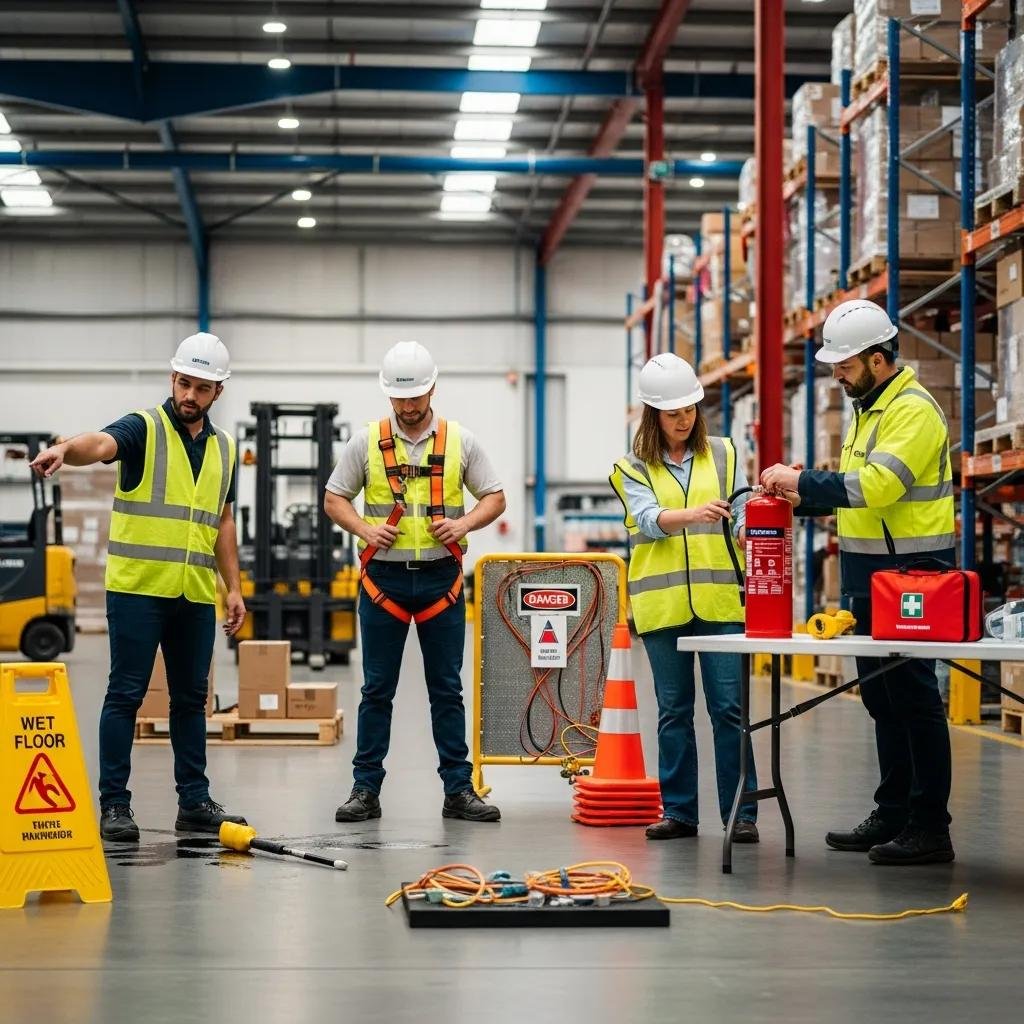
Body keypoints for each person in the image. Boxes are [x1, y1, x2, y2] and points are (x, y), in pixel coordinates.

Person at [29, 332, 248, 842]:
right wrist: (65, 448)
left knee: (191, 700)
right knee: (125, 694)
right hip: (137, 589)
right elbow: (99, 444)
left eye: (201, 387)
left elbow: (223, 521)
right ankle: (114, 805)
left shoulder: (225, 448)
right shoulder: (143, 428)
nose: (189, 394)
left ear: (218, 392)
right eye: (183, 382)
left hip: (193, 593)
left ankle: (194, 802)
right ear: (173, 378)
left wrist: (232, 587)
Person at [761, 299, 954, 866]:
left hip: (916, 576)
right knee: (880, 696)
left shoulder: (914, 411)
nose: (836, 374)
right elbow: (852, 495)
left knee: (915, 696)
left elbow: (878, 486)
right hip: (869, 576)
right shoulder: (868, 410)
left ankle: (930, 827)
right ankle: (892, 813)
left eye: (843, 365)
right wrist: (799, 500)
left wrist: (804, 479)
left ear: (876, 358)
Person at [324, 341, 506, 823]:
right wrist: (365, 529)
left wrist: (465, 524)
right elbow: (334, 498)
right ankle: (365, 790)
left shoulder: (459, 441)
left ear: (432, 390)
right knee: (376, 689)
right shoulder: (366, 441)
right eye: (399, 399)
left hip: (440, 581)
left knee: (446, 689)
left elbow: (495, 497)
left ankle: (458, 789)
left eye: (415, 398)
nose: (407, 407)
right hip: (382, 582)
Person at [610, 353, 759, 843]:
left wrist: (742, 529)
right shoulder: (631, 467)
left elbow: (739, 506)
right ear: (653, 415)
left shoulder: (724, 452)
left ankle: (741, 813)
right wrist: (693, 514)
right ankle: (680, 813)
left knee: (729, 710)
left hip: (719, 606)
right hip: (663, 608)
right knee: (674, 713)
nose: (683, 419)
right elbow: (647, 520)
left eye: (690, 409)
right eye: (673, 412)